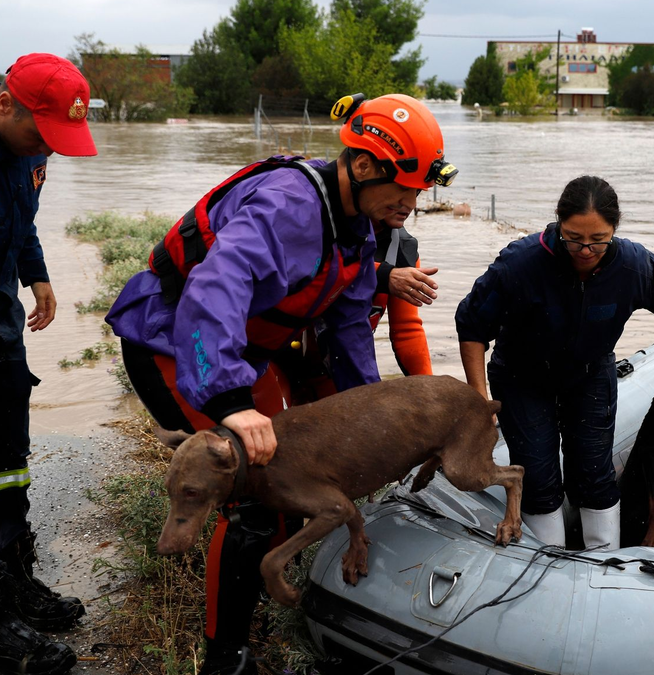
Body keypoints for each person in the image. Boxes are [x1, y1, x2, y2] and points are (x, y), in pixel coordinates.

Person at [105, 93, 454, 674]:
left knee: (290, 476)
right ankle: (227, 660)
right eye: (407, 189)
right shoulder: (290, 203)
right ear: (364, 165)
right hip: (175, 341)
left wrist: (374, 418)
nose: (411, 206)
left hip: (242, 349)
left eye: (420, 193)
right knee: (253, 495)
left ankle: (254, 606)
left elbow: (348, 331)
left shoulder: (357, 227)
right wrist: (231, 403)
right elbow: (214, 289)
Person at [456, 175, 654, 550]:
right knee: (539, 478)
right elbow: (472, 325)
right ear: (559, 222)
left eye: (598, 241)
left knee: (594, 472)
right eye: (574, 237)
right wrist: (479, 399)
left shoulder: (631, 264)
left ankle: (602, 560)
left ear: (614, 231)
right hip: (522, 379)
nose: (586, 250)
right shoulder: (521, 264)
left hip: (590, 374)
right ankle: (547, 563)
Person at [0, 53, 97, 675]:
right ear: (6, 104)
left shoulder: (31, 143)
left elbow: (22, 221)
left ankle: (14, 581)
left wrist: (36, 275)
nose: (51, 150)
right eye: (44, 137)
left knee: (7, 458)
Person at [370, 220, 436, 376]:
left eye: (416, 194)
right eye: (400, 194)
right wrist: (384, 275)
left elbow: (407, 329)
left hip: (344, 363)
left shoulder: (403, 248)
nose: (410, 204)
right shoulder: (322, 223)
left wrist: (428, 387)